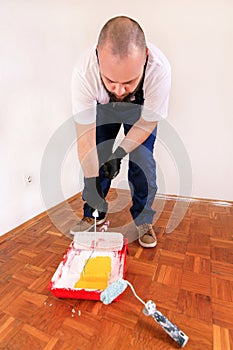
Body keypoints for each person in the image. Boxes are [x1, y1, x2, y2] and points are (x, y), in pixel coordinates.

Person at [70, 16, 171, 248]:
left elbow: (147, 123)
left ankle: (143, 220)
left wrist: (120, 153)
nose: (119, 90)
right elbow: (85, 139)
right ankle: (93, 212)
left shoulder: (159, 69)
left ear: (145, 57)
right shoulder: (84, 72)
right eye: (110, 81)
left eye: (129, 82)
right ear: (98, 56)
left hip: (141, 113)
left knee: (143, 161)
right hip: (104, 109)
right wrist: (91, 179)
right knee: (98, 155)